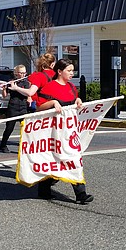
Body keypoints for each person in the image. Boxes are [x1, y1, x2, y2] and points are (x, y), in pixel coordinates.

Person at [34, 58, 93, 205]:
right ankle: (44, 187)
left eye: (73, 70)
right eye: (69, 70)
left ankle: (81, 194)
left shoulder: (72, 87)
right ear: (59, 72)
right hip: (54, 132)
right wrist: (53, 103)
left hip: (69, 131)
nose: (72, 73)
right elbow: (39, 107)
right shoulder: (49, 87)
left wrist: (78, 100)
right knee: (55, 159)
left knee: (74, 158)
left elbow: (73, 103)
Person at [0, 65, 30, 153]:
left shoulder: (26, 83)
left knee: (25, 128)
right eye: (21, 73)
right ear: (16, 73)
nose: (23, 75)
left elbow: (27, 94)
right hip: (13, 107)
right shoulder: (11, 82)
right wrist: (4, 89)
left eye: (24, 73)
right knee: (9, 128)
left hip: (23, 107)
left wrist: (17, 88)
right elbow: (4, 96)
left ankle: (25, 146)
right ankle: (3, 145)